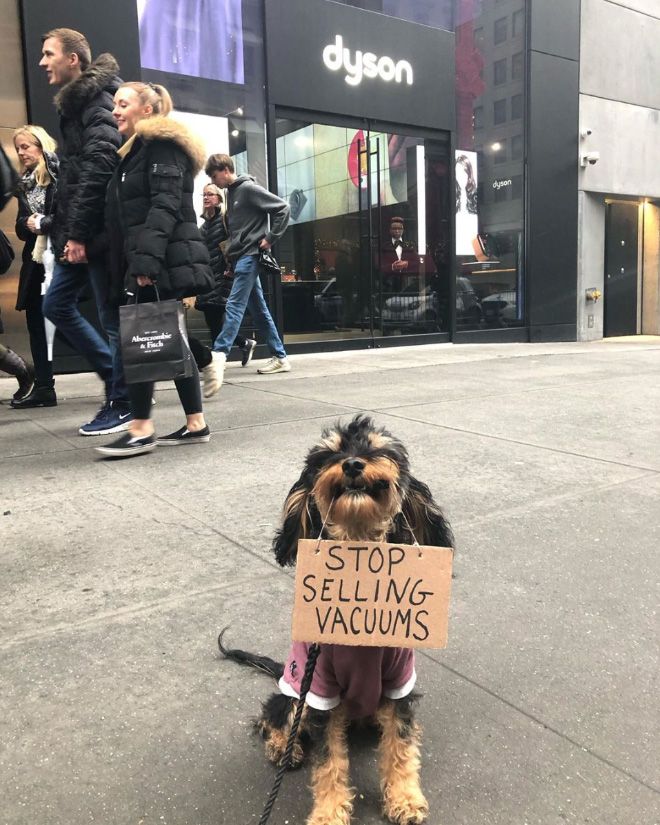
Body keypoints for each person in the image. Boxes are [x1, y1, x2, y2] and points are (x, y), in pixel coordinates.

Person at [95, 81, 214, 458]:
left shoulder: (162, 147)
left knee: (141, 338)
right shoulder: (139, 151)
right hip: (153, 257)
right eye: (114, 104)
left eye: (123, 103)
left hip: (158, 260)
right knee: (170, 339)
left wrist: (145, 261)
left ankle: (141, 428)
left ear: (147, 110)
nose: (115, 110)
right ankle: (195, 423)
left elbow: (164, 206)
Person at [39, 28, 131, 435]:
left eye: (49, 54)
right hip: (76, 230)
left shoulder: (97, 99)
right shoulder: (76, 106)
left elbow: (99, 165)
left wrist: (76, 234)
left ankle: (124, 402)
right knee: (55, 305)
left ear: (73, 59)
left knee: (112, 320)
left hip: (95, 232)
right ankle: (117, 383)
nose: (43, 62)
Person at [204, 153, 291, 388]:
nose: (213, 182)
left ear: (224, 169)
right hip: (241, 257)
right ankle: (280, 357)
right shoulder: (232, 193)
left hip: (251, 255)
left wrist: (270, 239)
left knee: (234, 304)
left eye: (214, 176)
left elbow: (283, 208)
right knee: (258, 309)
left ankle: (219, 355)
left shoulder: (249, 189)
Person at [10, 125, 59, 409]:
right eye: (18, 148)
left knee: (64, 321)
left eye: (25, 146)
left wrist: (42, 222)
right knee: (36, 325)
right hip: (35, 261)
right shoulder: (24, 183)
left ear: (41, 145)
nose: (21, 152)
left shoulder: (57, 174)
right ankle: (44, 387)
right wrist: (28, 224)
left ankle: (115, 377)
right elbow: (19, 226)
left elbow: (66, 215)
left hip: (59, 259)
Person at [194, 183, 256, 370]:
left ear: (219, 198)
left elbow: (235, 243)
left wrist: (231, 267)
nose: (206, 198)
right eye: (204, 195)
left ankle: (214, 360)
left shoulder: (225, 219)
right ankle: (244, 343)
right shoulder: (204, 226)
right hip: (207, 277)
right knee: (211, 317)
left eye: (210, 194)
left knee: (214, 315)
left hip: (223, 274)